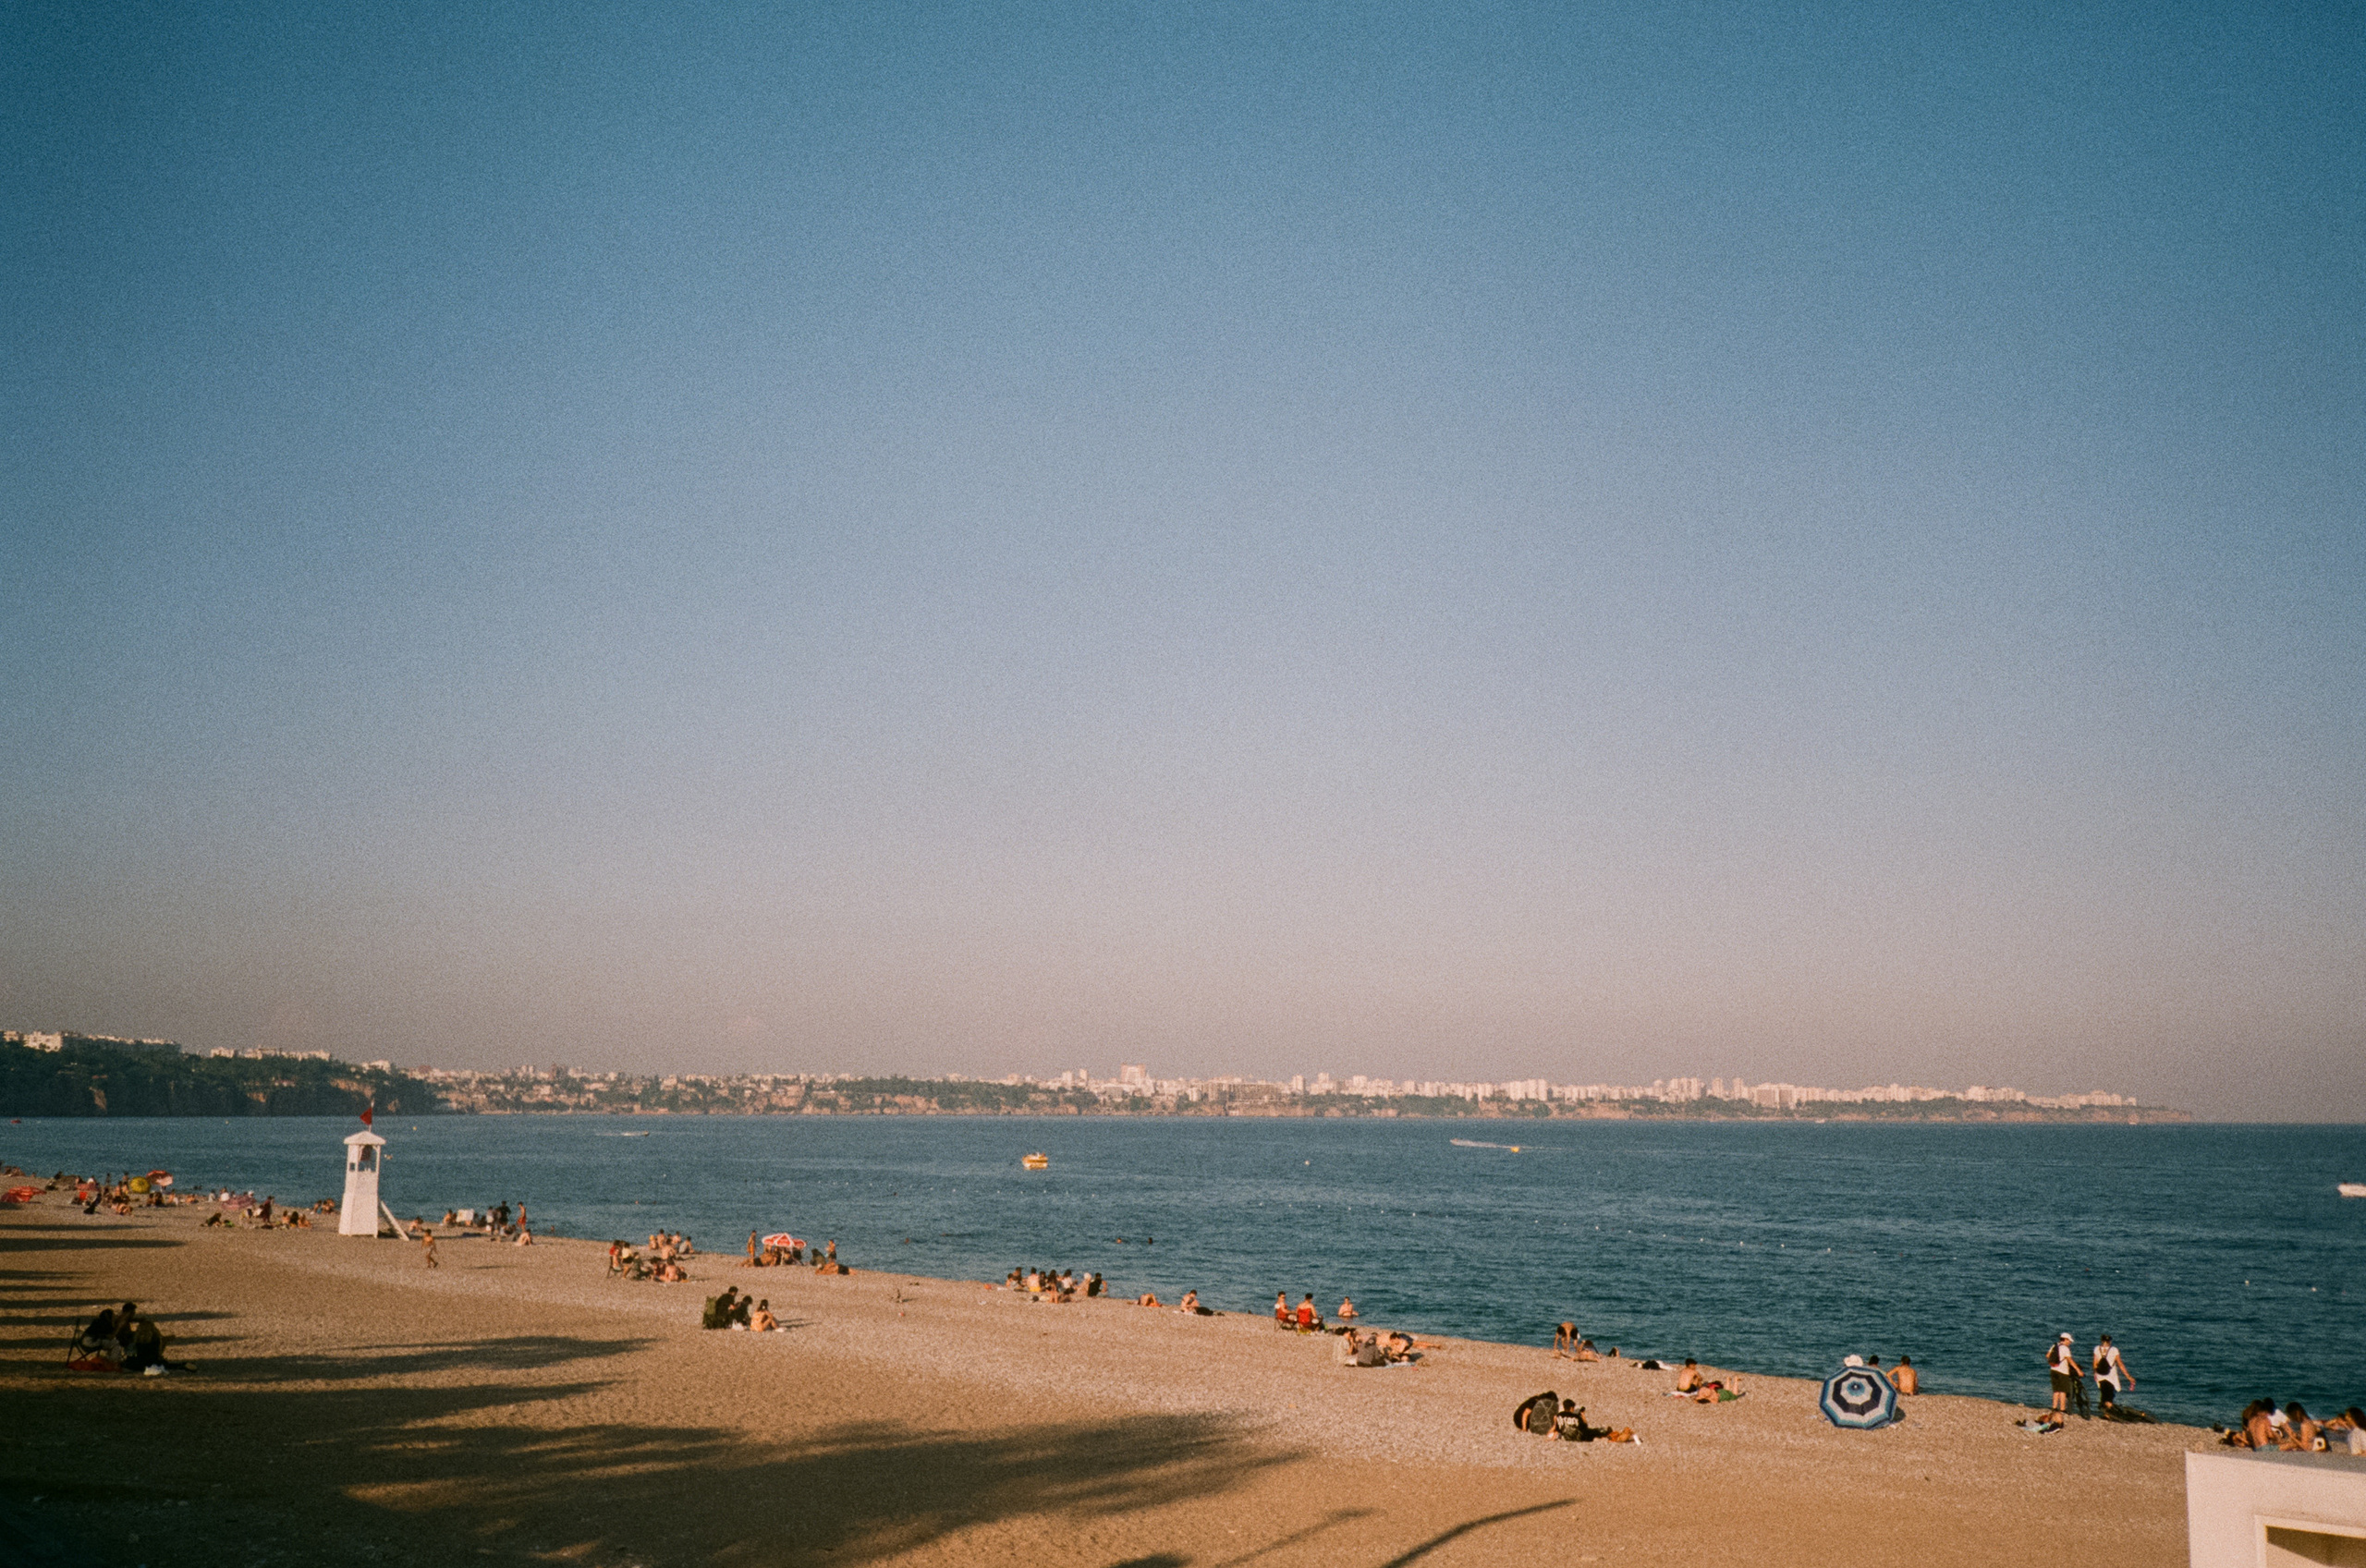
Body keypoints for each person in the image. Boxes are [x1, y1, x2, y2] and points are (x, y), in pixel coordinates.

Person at [2045, 1333, 2084, 1420]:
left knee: (2056, 1390)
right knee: (2063, 1390)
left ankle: (2054, 1407)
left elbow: (2047, 1355)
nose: (2070, 1342)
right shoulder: (2065, 1348)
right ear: (2065, 1339)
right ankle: (2062, 1409)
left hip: (2053, 1370)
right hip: (2062, 1371)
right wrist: (2078, 1370)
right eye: (2069, 1340)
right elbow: (2070, 1361)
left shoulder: (2055, 1345)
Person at [2092, 1335, 2132, 1411]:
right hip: (2111, 1376)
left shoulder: (2097, 1349)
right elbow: (2120, 1364)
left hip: (2100, 1375)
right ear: (2110, 1341)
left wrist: (2095, 1374)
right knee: (2110, 1394)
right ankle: (2108, 1412)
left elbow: (2095, 1363)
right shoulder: (2114, 1350)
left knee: (2103, 1393)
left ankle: (2104, 1410)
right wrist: (2128, 1376)